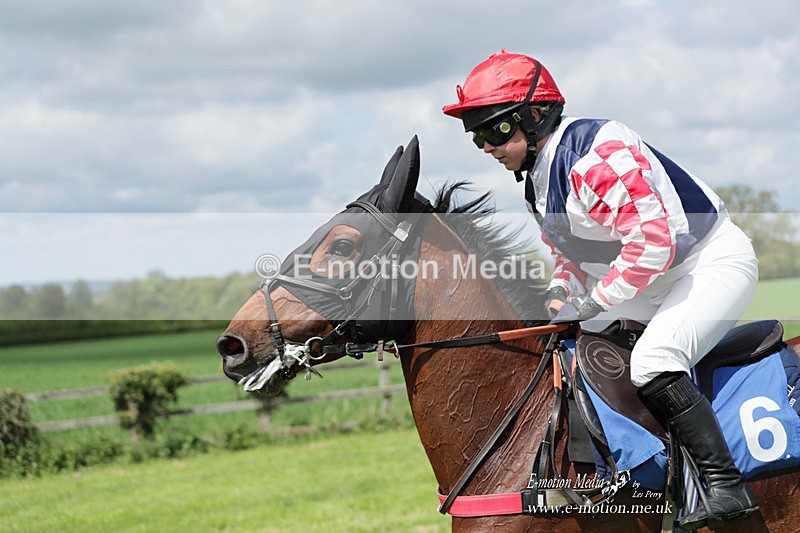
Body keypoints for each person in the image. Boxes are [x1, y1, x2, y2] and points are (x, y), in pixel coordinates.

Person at [443, 50, 760, 530]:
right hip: (652, 279)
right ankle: (628, 477)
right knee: (575, 350)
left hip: (707, 264)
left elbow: (654, 243)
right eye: (477, 137)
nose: (487, 146)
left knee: (655, 360)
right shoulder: (537, 184)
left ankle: (725, 486)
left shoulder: (596, 154)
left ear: (535, 115)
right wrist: (559, 295)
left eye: (496, 131)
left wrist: (591, 301)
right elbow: (572, 257)